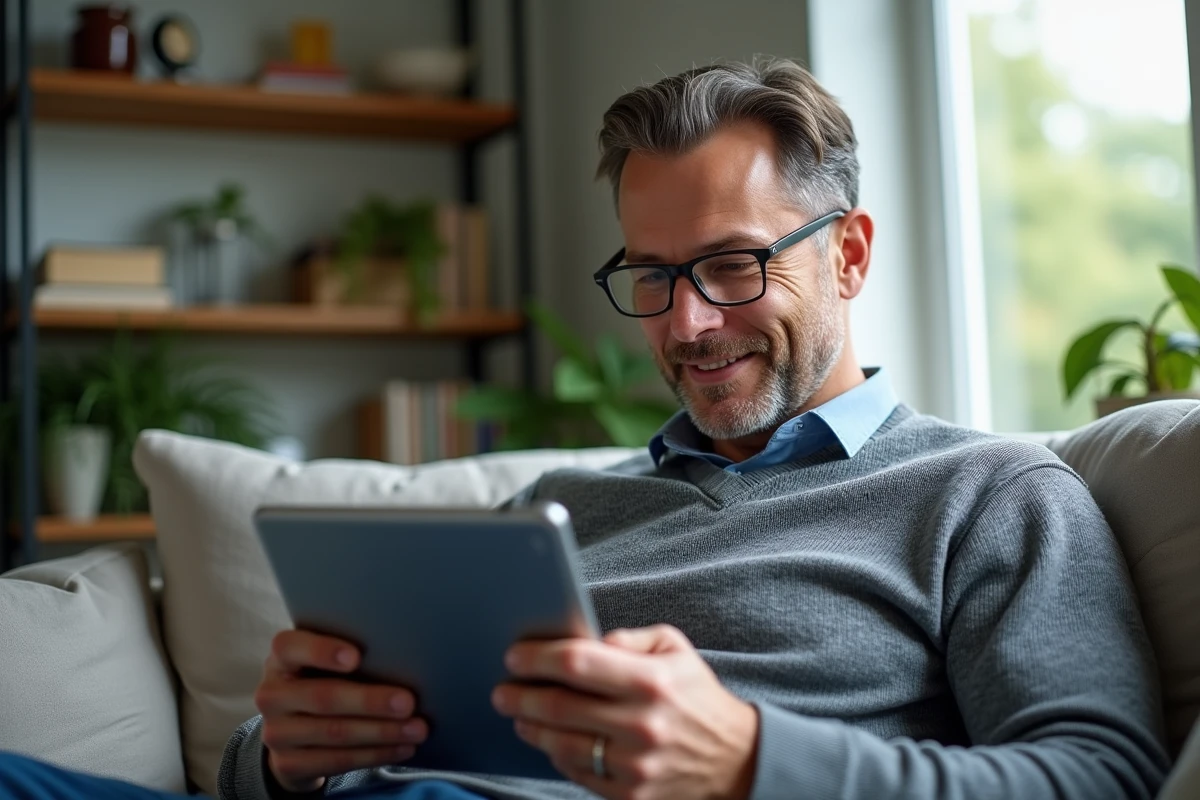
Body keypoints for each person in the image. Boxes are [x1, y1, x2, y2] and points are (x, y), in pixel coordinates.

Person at [217, 57, 1169, 800]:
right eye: (654, 276)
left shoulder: (989, 495)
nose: (686, 326)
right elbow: (287, 760)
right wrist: (283, 759)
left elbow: (1105, 779)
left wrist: (753, 763)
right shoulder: (551, 509)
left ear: (849, 254)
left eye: (732, 266)